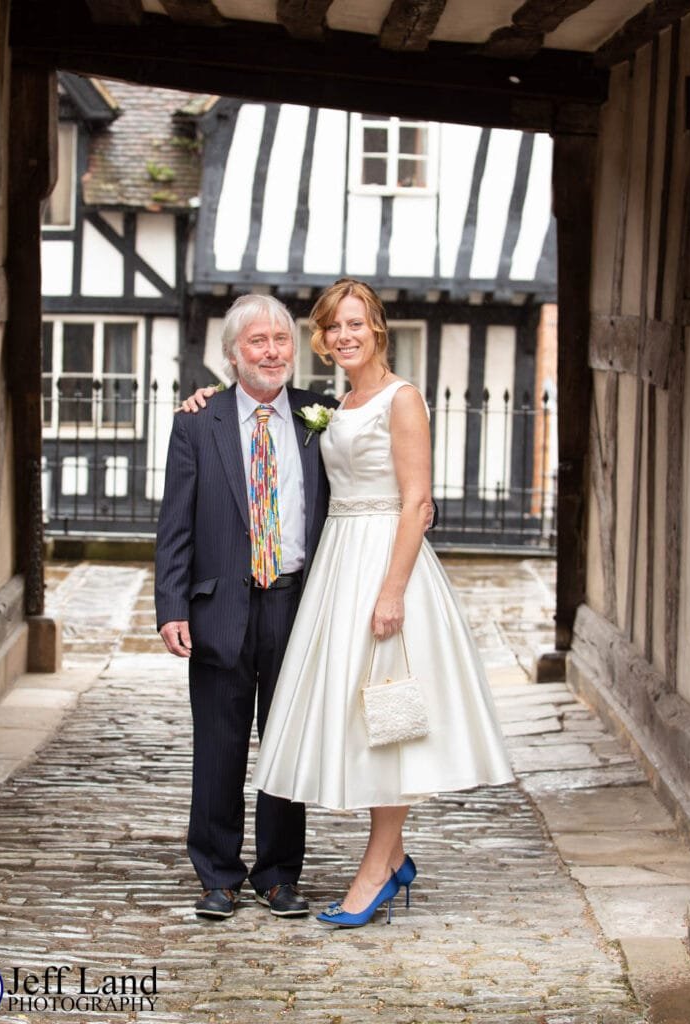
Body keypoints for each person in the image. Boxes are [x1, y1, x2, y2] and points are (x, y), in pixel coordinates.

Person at [182, 279, 513, 929]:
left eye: (355, 323)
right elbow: (251, 425)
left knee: (392, 720)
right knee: (363, 720)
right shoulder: (331, 407)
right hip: (337, 570)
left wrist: (391, 592)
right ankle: (387, 859)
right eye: (333, 327)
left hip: (387, 571)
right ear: (324, 340)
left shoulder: (403, 399)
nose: (345, 335)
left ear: (378, 328)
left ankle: (379, 865)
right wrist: (206, 400)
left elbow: (418, 502)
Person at [155, 293, 337, 921]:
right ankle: (218, 873)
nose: (271, 351)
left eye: (281, 340)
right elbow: (175, 525)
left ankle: (280, 873)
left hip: (297, 606)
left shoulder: (325, 417)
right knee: (219, 747)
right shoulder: (196, 422)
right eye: (256, 342)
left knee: (285, 743)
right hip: (219, 607)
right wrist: (170, 606)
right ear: (232, 355)